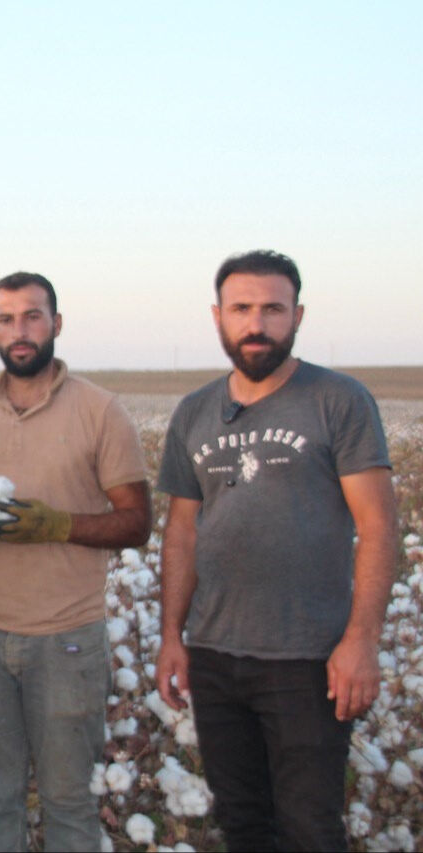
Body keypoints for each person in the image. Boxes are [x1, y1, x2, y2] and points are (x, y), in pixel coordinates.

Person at [154, 250, 397, 851]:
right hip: (213, 655)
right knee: (243, 823)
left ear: (298, 316)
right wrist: (171, 637)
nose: (256, 323)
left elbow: (379, 527)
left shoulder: (337, 400)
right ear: (218, 318)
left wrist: (361, 640)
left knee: (310, 829)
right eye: (241, 309)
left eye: (272, 309)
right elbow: (182, 532)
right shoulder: (194, 412)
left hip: (306, 658)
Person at [0, 272, 151, 852]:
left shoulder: (101, 411)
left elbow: (136, 521)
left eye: (32, 316)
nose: (19, 331)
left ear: (57, 323)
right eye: (5, 319)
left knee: (69, 801)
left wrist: (57, 525)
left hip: (67, 640)